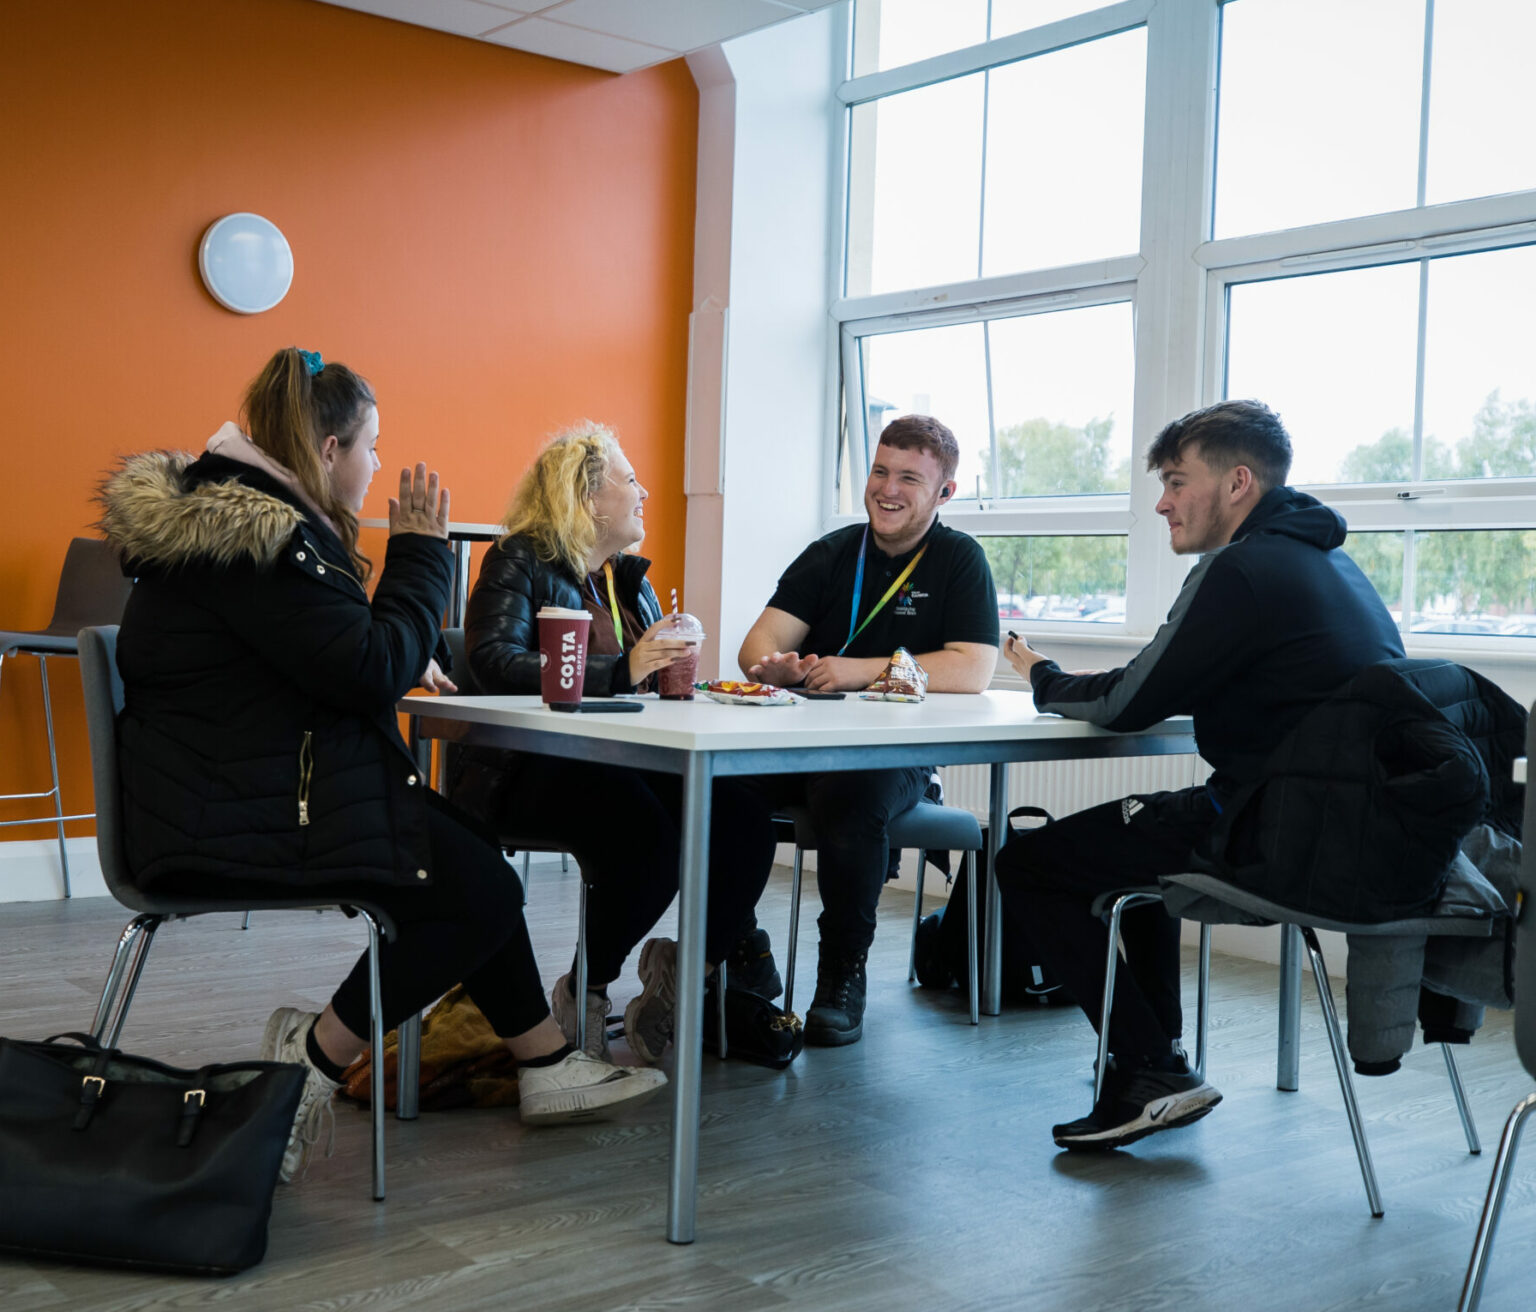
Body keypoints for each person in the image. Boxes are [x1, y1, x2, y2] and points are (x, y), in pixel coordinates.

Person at [99, 349, 665, 1181]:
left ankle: (544, 1066)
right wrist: (419, 556)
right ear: (329, 451)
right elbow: (360, 665)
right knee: (478, 891)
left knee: (471, 857)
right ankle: (315, 1055)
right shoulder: (267, 541)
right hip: (237, 814)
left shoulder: (242, 526)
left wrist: (392, 654)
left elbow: (322, 660)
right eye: (369, 446)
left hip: (236, 787)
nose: (374, 467)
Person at [995, 399, 1404, 1152]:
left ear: (1238, 482)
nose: (1162, 502)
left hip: (1280, 832)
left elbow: (1128, 701)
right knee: (1137, 848)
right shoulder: (1328, 562)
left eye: (1177, 482)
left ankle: (1150, 1068)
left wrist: (1046, 679)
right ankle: (1161, 1067)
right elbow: (1164, 680)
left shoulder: (1243, 568)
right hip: (1346, 829)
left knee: (1027, 863)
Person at [452, 422, 780, 1064]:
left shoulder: (625, 580)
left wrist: (672, 669)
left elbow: (646, 685)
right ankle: (588, 987)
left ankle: (682, 980)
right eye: (630, 480)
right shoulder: (519, 559)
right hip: (529, 769)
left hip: (622, 762)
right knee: (650, 838)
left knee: (743, 815)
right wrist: (625, 668)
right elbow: (492, 661)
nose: (645, 491)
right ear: (588, 498)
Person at [735, 414, 999, 1046]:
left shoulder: (959, 560)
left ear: (944, 493)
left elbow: (973, 668)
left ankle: (841, 975)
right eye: (880, 471)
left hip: (893, 757)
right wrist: (776, 666)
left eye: (910, 477)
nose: (888, 488)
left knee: (851, 793)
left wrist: (856, 672)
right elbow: (757, 646)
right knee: (717, 786)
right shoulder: (833, 552)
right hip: (797, 748)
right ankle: (738, 953)